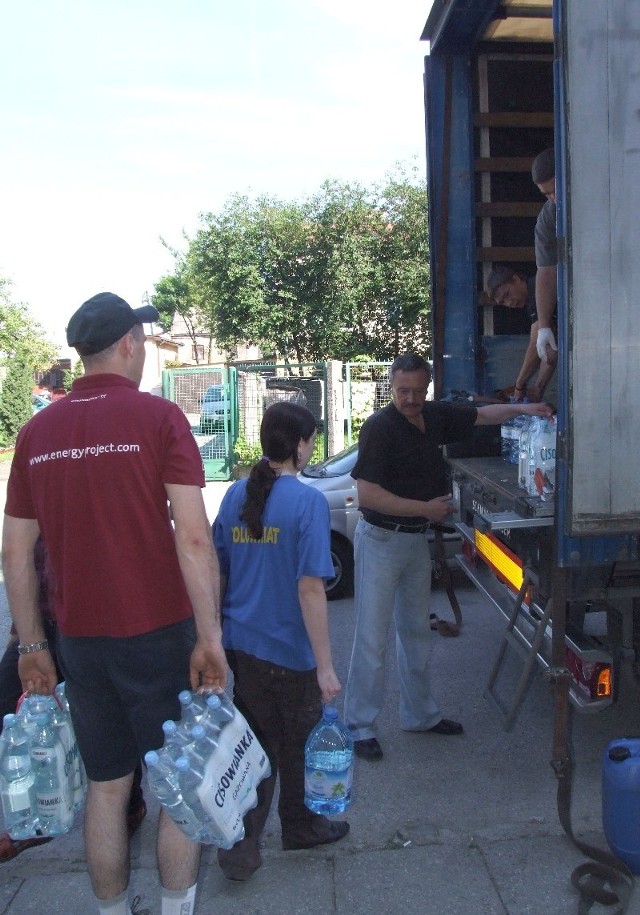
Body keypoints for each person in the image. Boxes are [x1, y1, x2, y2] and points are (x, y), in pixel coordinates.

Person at [2, 292, 227, 915]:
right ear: (130, 344)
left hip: (78, 638)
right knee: (179, 780)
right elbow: (193, 536)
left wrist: (32, 647)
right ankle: (176, 908)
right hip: (158, 632)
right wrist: (210, 638)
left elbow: (14, 554)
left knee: (107, 785)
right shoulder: (159, 419)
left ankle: (111, 911)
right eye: (144, 342)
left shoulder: (37, 432)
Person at [344, 352, 554, 761]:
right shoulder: (379, 428)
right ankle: (359, 726)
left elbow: (482, 416)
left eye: (418, 391)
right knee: (372, 638)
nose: (410, 399)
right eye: (402, 391)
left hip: (414, 543)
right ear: (391, 387)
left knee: (417, 633)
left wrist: (529, 408)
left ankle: (419, 715)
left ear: (426, 388)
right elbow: (366, 495)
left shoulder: (433, 414)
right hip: (381, 541)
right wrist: (426, 510)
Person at [212, 401, 349, 882]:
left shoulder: (234, 496)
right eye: (310, 439)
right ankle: (300, 827)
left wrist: (213, 639)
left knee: (254, 747)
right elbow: (311, 587)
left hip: (243, 648)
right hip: (290, 653)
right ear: (299, 445)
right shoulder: (307, 502)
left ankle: (241, 846)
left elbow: (218, 571)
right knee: (296, 746)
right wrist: (326, 668)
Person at [0, 539, 146, 863]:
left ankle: (130, 804)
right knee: (11, 702)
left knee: (109, 718)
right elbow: (27, 555)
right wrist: (21, 634)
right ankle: (35, 815)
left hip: (95, 623)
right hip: (44, 623)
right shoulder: (39, 490)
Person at [486, 265, 556, 402]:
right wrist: (538, 388)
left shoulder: (538, 289)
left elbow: (536, 344)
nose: (509, 302)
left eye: (507, 294)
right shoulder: (531, 305)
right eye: (503, 302)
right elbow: (551, 348)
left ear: (516, 279)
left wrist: (518, 385)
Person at [531, 147, 558, 364]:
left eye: (554, 190)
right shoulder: (548, 217)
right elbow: (547, 270)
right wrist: (544, 326)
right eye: (546, 194)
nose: (553, 198)